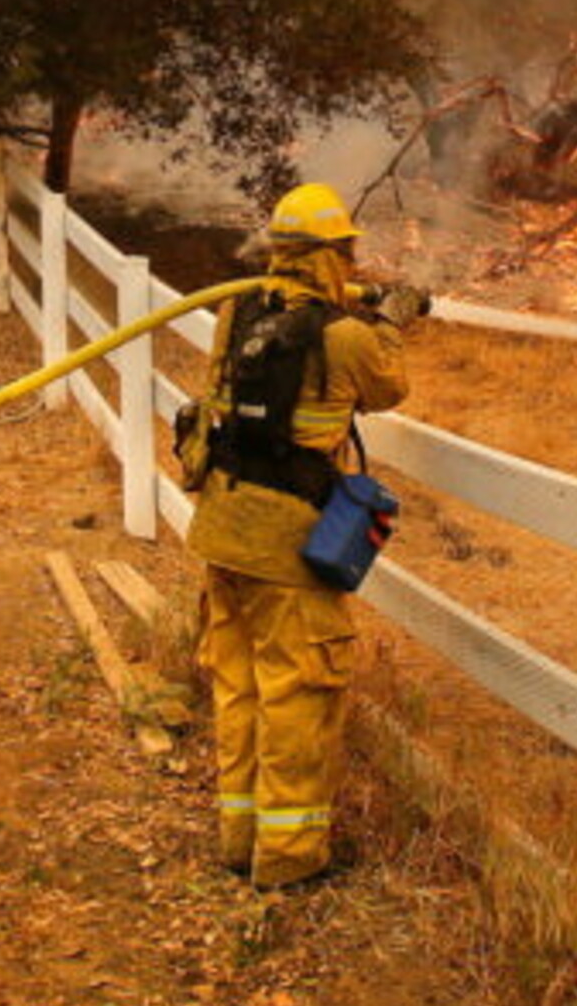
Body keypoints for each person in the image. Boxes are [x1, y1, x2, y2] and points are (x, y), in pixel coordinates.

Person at [178, 182, 422, 888]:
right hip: (286, 545)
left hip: (223, 526)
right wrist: (392, 319)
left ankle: (237, 835)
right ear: (331, 256)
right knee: (297, 696)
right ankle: (287, 859)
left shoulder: (234, 312)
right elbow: (388, 387)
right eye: (346, 252)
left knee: (239, 687)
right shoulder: (346, 337)